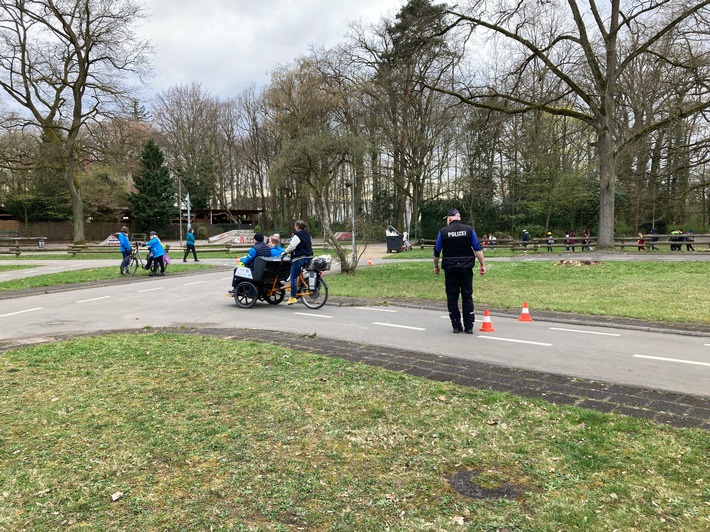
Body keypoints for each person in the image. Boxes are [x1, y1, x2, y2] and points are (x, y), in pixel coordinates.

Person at [433, 208, 486, 334]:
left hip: (450, 267)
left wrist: (436, 265)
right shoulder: (469, 230)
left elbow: (436, 251)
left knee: (452, 296)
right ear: (459, 218)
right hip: (466, 267)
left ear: (449, 218)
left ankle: (456, 325)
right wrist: (482, 264)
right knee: (467, 295)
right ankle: (469, 326)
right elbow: (477, 248)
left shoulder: (443, 231)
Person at [282, 220, 313, 305]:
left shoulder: (297, 235)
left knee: (293, 277)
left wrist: (284, 252)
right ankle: (300, 288)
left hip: (299, 258)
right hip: (309, 257)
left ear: (297, 226)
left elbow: (292, 246)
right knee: (299, 274)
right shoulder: (307, 234)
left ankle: (293, 297)